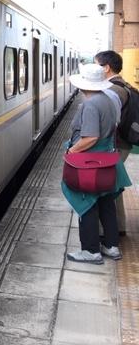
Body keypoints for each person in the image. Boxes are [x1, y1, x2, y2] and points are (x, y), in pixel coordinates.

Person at [63, 64, 132, 264]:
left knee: (87, 203)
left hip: (90, 164)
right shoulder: (109, 99)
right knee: (106, 202)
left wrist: (71, 151)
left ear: (84, 84)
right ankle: (111, 246)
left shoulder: (91, 105)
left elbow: (90, 137)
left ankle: (91, 250)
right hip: (107, 161)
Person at [94, 50, 130, 234]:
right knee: (114, 184)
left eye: (96, 65)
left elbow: (108, 122)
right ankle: (119, 227)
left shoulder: (113, 90)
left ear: (106, 67)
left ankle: (108, 231)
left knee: (107, 187)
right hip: (122, 143)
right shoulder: (122, 84)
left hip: (116, 144)